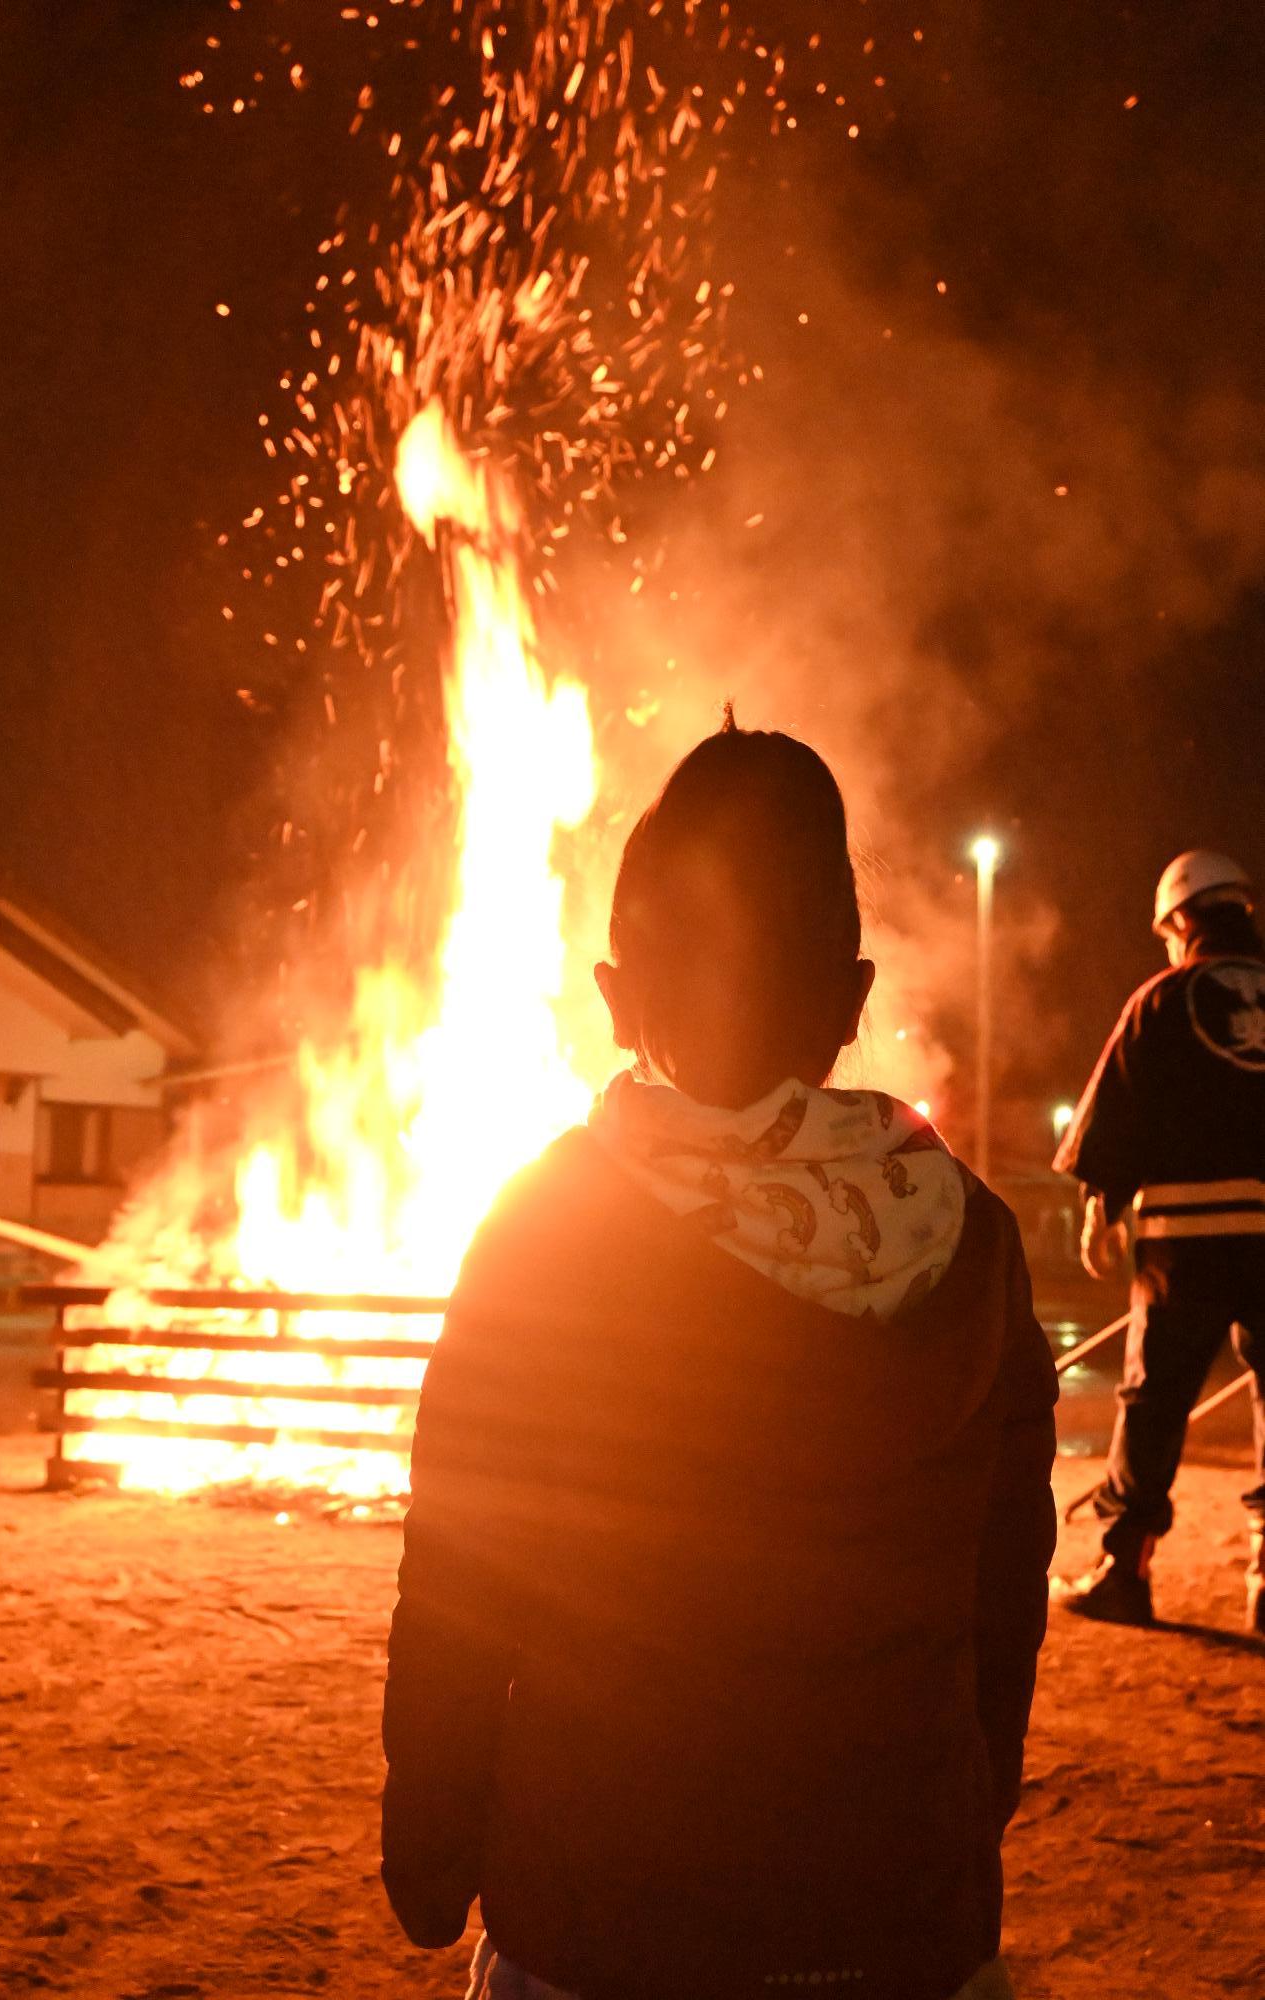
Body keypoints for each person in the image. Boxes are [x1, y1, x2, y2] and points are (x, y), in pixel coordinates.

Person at [381, 715, 1058, 2000]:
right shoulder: (972, 1235)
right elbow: (1003, 1580)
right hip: (901, 1911)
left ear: (616, 996)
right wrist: (964, 1807)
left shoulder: (547, 1227)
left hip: (608, 1912)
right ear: (855, 999)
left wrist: (429, 1846)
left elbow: (463, 1571)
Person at [1053, 849, 1265, 1632]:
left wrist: (1099, 1204)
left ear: (1180, 921)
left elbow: (1115, 1107)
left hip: (1187, 1236)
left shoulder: (1161, 999)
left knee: (1154, 1401)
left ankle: (1124, 1569)